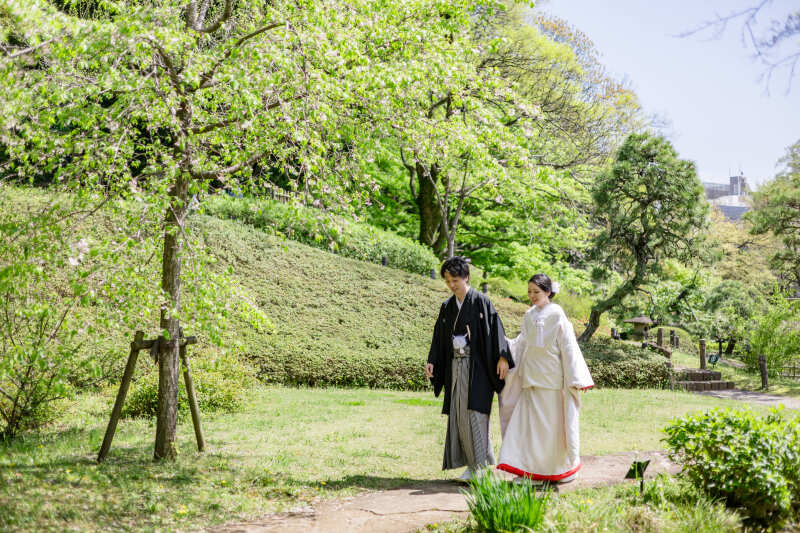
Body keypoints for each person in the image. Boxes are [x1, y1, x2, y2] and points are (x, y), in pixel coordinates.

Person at [497, 274, 593, 483]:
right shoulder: (529, 315)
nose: (532, 296)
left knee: (550, 430)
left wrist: (576, 377)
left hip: (551, 381)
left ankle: (556, 470)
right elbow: (522, 344)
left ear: (548, 292)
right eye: (529, 292)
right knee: (530, 430)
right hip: (530, 379)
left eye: (536, 292)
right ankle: (532, 470)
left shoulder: (557, 313)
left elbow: (568, 346)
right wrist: (504, 349)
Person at [426, 256, 512, 481]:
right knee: (459, 414)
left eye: (455, 280)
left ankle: (480, 467)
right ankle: (473, 465)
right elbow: (439, 337)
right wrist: (432, 360)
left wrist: (503, 357)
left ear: (466, 277)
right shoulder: (447, 307)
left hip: (478, 367)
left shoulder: (481, 301)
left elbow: (496, 331)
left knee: (476, 413)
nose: (452, 285)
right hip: (455, 366)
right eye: (448, 281)